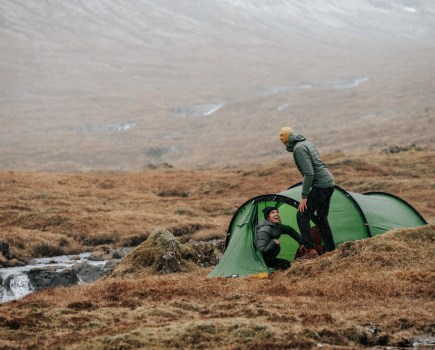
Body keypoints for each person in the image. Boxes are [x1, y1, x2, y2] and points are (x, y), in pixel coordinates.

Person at [279, 127, 336, 259]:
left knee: (302, 214)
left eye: (284, 143)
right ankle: (331, 249)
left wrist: (304, 196)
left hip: (321, 185)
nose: (284, 146)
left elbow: (309, 173)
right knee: (322, 218)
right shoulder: (307, 143)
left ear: (287, 141)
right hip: (329, 183)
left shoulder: (299, 149)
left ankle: (310, 250)